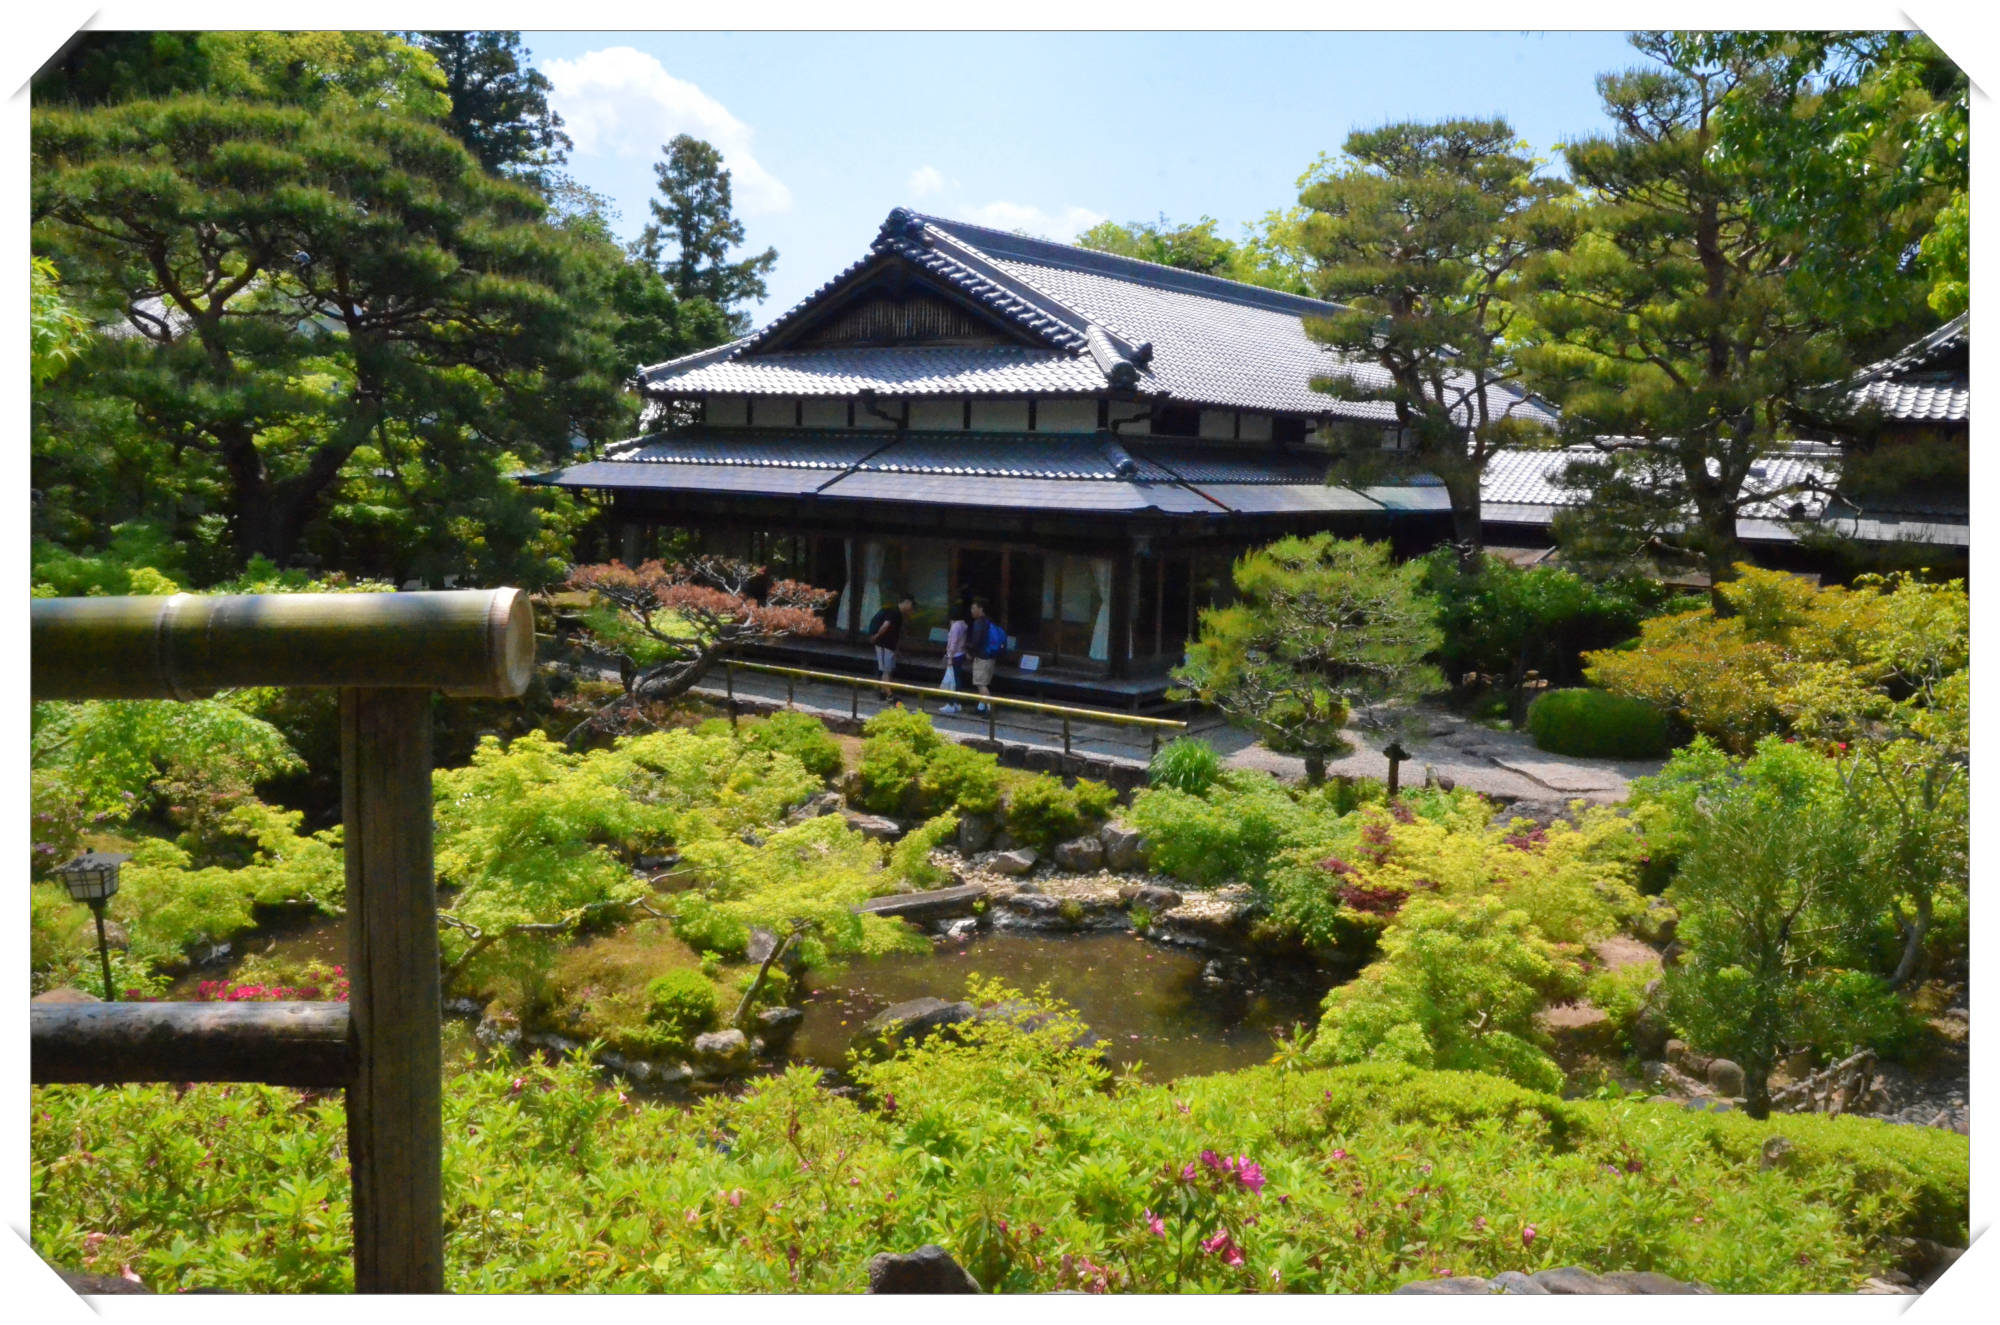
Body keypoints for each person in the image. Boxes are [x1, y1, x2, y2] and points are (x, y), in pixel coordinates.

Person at [868, 594, 914, 700]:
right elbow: (885, 626)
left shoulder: (898, 614)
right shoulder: (894, 612)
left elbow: (895, 632)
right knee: (886, 670)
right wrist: (876, 636)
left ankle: (883, 692)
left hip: (889, 646)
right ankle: (889, 695)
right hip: (884, 645)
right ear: (906, 602)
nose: (911, 608)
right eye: (911, 605)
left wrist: (896, 649)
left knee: (888, 670)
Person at [968, 597, 1002, 713]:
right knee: (984, 682)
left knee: (980, 684)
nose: (972, 611)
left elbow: (976, 641)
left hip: (982, 657)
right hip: (990, 656)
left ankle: (990, 708)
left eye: (974, 608)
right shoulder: (990, 621)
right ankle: (981, 707)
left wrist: (971, 653)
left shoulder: (979, 623)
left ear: (980, 609)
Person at [939, 608, 970, 714]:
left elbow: (953, 642)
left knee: (952, 681)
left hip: (954, 655)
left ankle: (951, 703)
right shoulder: (963, 625)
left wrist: (950, 657)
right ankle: (957, 703)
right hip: (960, 654)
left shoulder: (956, 626)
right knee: (957, 679)